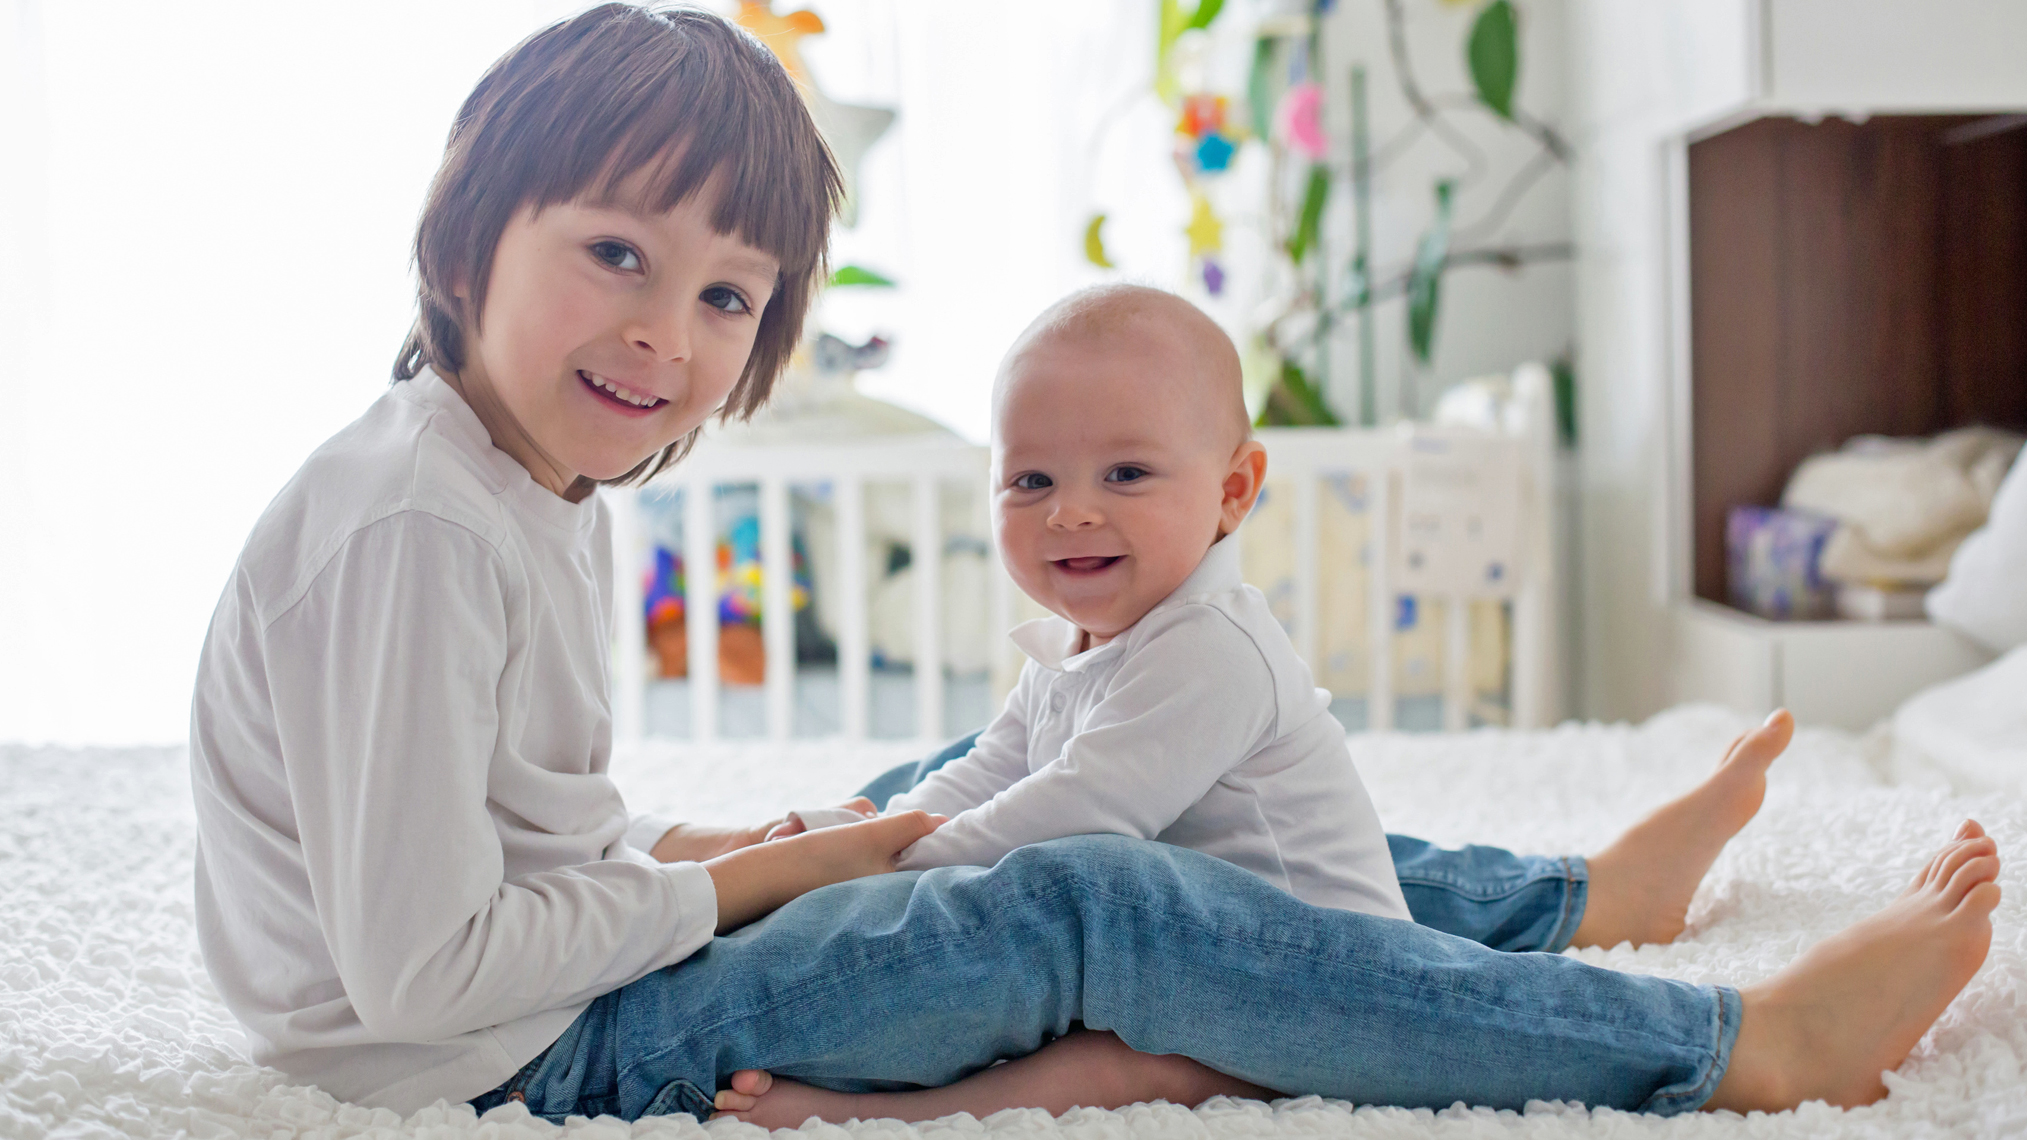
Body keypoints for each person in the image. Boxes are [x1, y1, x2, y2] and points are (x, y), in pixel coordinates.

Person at [185, 4, 2001, 1129]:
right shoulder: (417, 530)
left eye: (725, 293)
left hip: (530, 992)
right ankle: (1729, 1047)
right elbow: (428, 978)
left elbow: (511, 829)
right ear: (467, 226)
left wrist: (711, 852)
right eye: (612, 253)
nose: (665, 334)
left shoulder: (511, 479)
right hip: (509, 1062)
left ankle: (1561, 895)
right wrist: (746, 890)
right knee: (1101, 889)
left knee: (983, 791)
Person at [770, 286, 1409, 926]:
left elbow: (1072, 810)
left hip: (1327, 972)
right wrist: (873, 835)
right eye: (1033, 481)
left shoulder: (1214, 649)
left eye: (1126, 474)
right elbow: (989, 773)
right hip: (1201, 956)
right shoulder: (1070, 647)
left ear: (1232, 490)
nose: (1069, 512)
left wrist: (886, 865)